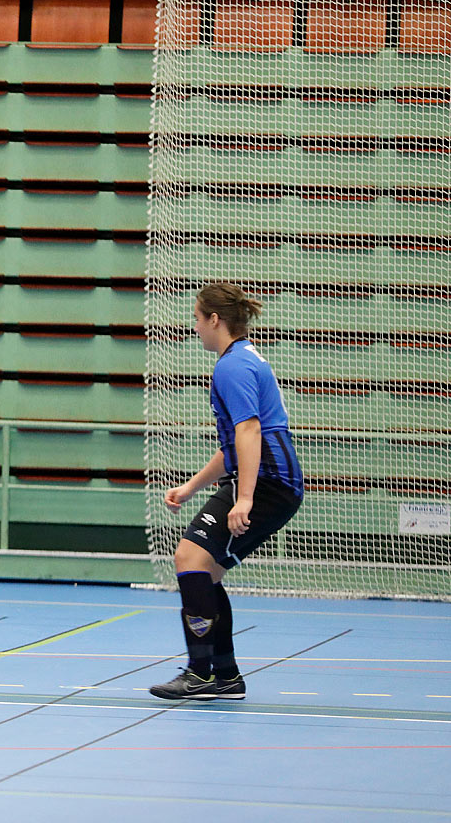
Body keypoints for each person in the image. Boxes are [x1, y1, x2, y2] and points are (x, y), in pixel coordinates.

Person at [150, 283, 304, 701]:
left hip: (268, 481)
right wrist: (191, 487)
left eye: (197, 318)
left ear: (214, 320)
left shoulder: (231, 367)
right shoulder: (243, 360)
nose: (194, 326)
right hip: (276, 481)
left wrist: (246, 498)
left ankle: (199, 673)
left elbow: (250, 431)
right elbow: (234, 446)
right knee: (207, 571)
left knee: (188, 557)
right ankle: (226, 675)